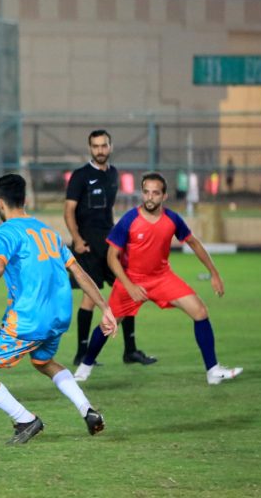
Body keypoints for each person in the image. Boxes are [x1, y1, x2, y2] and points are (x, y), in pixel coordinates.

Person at [0, 174, 113, 444]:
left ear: (0, 203)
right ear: (24, 199)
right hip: (59, 317)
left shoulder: (4, 233)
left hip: (28, 320)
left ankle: (25, 420)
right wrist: (104, 307)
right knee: (43, 361)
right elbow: (79, 272)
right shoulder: (48, 232)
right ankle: (87, 409)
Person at [73, 172, 243, 385]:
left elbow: (194, 243)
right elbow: (111, 257)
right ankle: (85, 367)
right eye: (146, 192)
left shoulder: (172, 219)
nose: (150, 197)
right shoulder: (129, 219)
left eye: (155, 193)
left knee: (200, 311)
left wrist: (214, 273)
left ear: (164, 196)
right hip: (132, 280)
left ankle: (213, 371)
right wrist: (129, 285)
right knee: (108, 324)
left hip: (162, 278)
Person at [64, 129, 156, 366]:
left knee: (127, 290)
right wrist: (77, 239)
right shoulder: (80, 176)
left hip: (110, 244)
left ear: (110, 147)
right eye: (95, 146)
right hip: (87, 245)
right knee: (89, 298)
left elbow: (108, 211)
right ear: (90, 148)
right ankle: (81, 353)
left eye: (103, 146)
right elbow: (69, 211)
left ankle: (130, 351)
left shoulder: (113, 173)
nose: (100, 150)